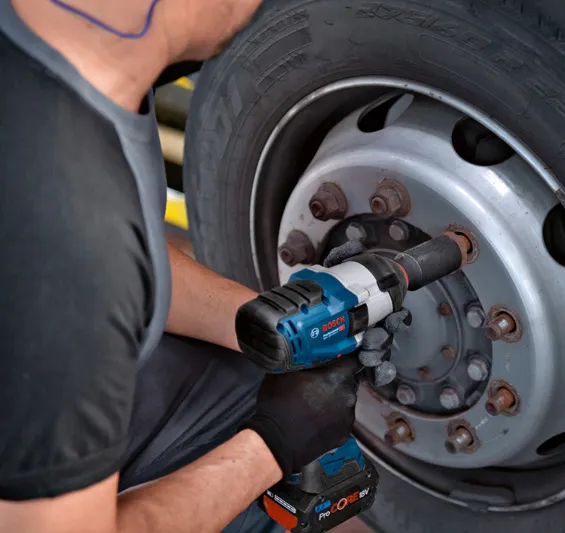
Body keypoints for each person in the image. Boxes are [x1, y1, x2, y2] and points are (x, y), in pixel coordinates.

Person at [0, 1, 400, 532]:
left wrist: (274, 324)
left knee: (246, 379)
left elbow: (129, 256)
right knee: (273, 479)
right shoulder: (71, 232)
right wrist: (274, 444)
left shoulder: (51, 55)